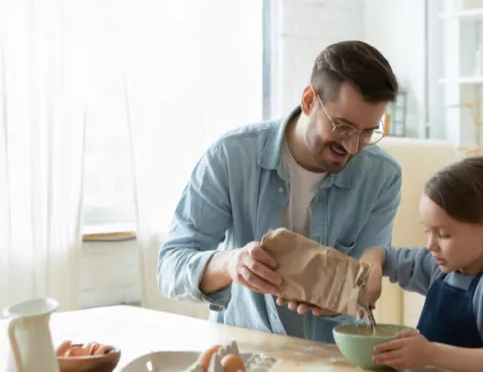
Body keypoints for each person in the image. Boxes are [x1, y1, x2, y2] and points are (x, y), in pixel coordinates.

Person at [157, 40, 402, 344]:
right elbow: (170, 267)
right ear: (309, 100)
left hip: (330, 357)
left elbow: (365, 275)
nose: (353, 147)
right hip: (244, 353)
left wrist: (352, 292)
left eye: (368, 132)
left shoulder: (383, 176)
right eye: (343, 127)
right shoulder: (232, 156)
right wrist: (231, 264)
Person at [361, 156, 483, 372]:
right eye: (428, 231)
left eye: (443, 234)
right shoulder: (440, 266)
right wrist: (372, 266)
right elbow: (382, 255)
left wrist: (431, 354)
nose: (430, 245)